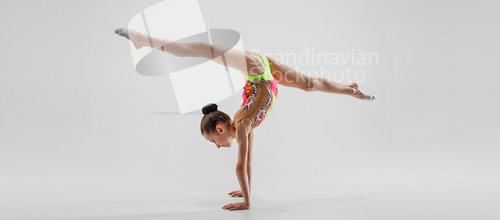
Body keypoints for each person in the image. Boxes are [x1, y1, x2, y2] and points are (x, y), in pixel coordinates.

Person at [115, 27, 375, 211]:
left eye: (213, 141)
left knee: (202, 50)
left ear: (220, 128)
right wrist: (245, 190)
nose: (217, 146)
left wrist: (247, 202)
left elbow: (239, 167)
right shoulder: (242, 122)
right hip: (263, 71)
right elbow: (247, 161)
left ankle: (141, 37)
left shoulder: (241, 125)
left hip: (256, 70)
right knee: (309, 85)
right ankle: (351, 90)